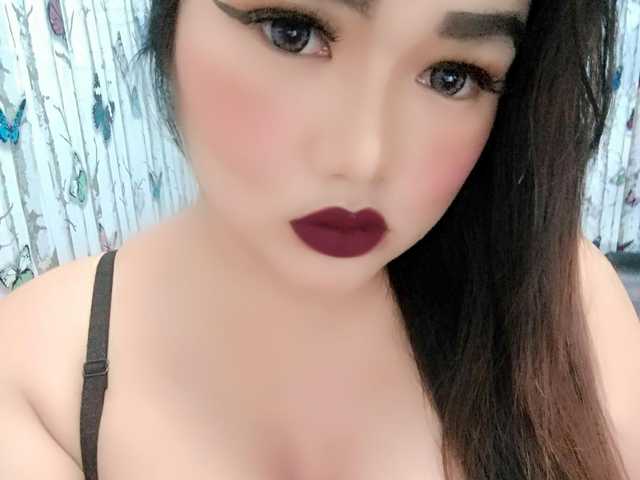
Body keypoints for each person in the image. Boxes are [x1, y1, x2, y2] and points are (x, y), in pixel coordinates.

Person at [0, 0, 638, 478]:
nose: (363, 159)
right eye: (292, 32)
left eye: (452, 76)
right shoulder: (33, 380)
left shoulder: (567, 305)